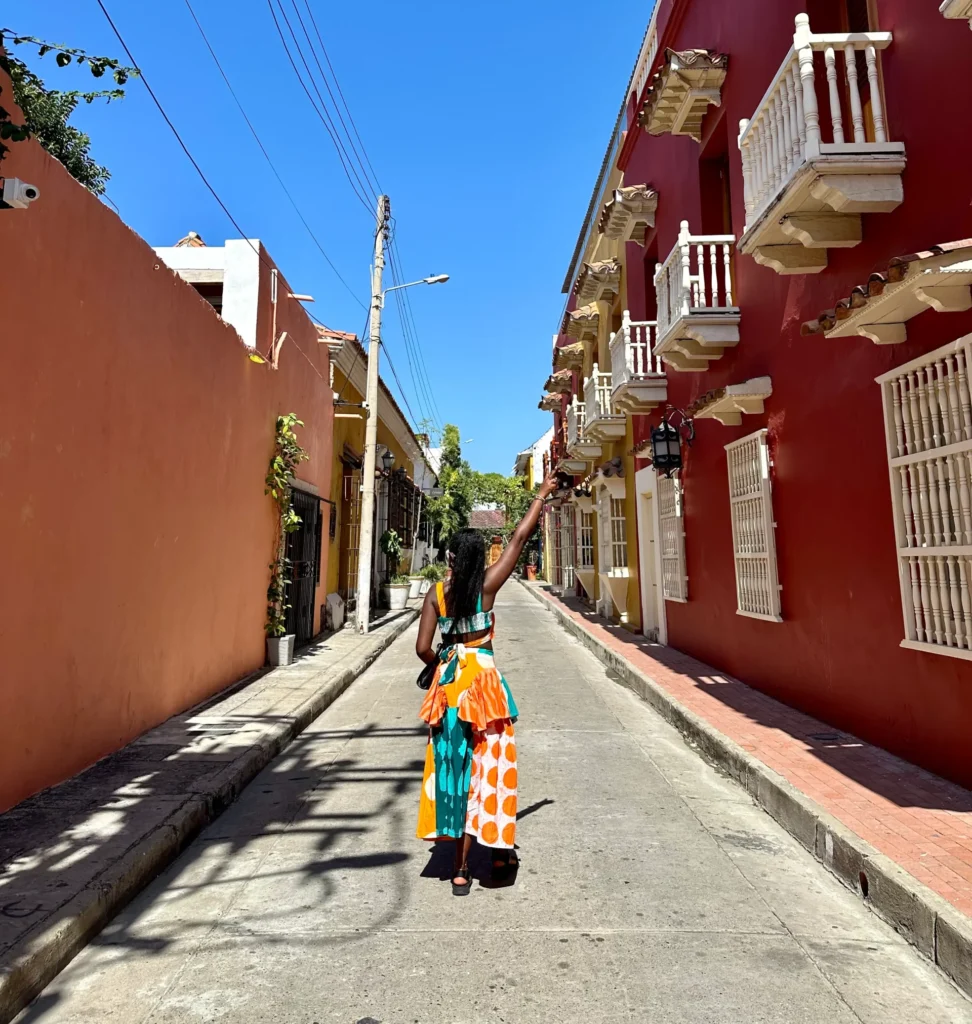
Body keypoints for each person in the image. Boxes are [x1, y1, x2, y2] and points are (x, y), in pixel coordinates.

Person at [415, 470, 560, 895]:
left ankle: (458, 869)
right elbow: (517, 540)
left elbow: (423, 648)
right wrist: (542, 493)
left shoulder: (436, 595)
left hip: (449, 691)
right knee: (491, 773)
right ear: (480, 560)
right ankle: (497, 847)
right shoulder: (488, 586)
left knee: (454, 772)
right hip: (486, 690)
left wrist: (446, 660)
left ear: (452, 560)